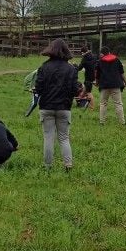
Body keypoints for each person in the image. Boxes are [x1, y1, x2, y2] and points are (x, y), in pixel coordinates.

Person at [36, 38, 81, 170]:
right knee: (64, 138)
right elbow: (75, 89)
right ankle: (68, 164)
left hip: (46, 106)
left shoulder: (44, 67)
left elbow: (38, 88)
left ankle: (47, 166)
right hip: (64, 107)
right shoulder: (71, 69)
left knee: (48, 137)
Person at [95, 49, 126, 125]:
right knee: (118, 103)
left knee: (103, 104)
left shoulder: (100, 61)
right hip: (116, 84)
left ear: (102, 54)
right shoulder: (117, 60)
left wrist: (96, 83)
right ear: (109, 52)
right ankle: (122, 122)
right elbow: (122, 72)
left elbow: (97, 74)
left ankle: (102, 122)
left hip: (104, 85)